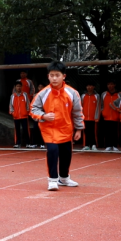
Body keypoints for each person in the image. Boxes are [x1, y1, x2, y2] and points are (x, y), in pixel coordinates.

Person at [31, 61, 84, 191]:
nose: (54, 78)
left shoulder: (72, 93)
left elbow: (77, 112)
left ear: (63, 76)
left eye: (57, 75)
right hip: (49, 129)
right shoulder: (42, 93)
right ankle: (52, 180)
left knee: (66, 154)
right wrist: (43, 116)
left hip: (66, 128)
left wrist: (79, 129)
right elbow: (33, 109)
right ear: (48, 76)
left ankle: (64, 178)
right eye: (52, 75)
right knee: (53, 151)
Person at [99, 80, 121, 151]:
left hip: (116, 116)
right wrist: (103, 112)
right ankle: (108, 145)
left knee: (115, 132)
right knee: (107, 132)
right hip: (106, 116)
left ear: (115, 85)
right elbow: (102, 104)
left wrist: (119, 111)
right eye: (108, 84)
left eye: (111, 84)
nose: (110, 86)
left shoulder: (119, 94)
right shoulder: (103, 94)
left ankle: (115, 145)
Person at [9, 80, 30, 148]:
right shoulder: (12, 96)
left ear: (22, 87)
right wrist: (12, 113)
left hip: (24, 116)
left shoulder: (25, 94)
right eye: (17, 86)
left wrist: (27, 112)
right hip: (16, 116)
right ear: (15, 87)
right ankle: (18, 143)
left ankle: (28, 143)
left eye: (20, 86)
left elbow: (28, 104)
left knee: (26, 130)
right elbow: (11, 105)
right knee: (17, 130)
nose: (19, 87)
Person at [81, 82, 100, 150]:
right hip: (85, 117)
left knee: (93, 132)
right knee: (86, 132)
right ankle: (86, 145)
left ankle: (94, 145)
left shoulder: (97, 96)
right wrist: (81, 116)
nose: (89, 87)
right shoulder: (83, 96)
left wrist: (97, 116)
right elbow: (81, 106)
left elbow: (98, 106)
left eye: (91, 86)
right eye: (88, 86)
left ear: (94, 87)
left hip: (93, 118)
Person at [31, 83, 46, 149]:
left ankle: (42, 143)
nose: (40, 88)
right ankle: (34, 143)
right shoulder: (35, 95)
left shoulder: (46, 95)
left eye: (41, 87)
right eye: (39, 87)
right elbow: (33, 105)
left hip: (43, 115)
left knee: (42, 130)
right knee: (35, 129)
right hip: (37, 115)